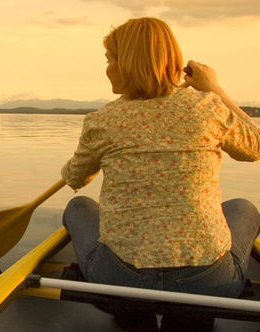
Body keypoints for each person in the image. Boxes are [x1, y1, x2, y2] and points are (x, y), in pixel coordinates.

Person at [61, 17, 260, 331]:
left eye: (111, 59)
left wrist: (77, 167)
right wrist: (214, 89)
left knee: (78, 206)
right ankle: (191, 316)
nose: (108, 68)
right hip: (207, 284)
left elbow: (75, 178)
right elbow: (255, 146)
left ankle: (132, 314)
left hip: (122, 280)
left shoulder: (102, 121)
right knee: (244, 207)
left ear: (129, 62)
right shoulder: (208, 107)